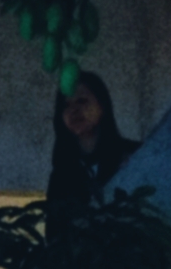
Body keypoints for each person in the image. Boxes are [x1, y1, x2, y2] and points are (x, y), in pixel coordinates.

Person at [46, 72, 138, 219]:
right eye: (66, 105)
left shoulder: (133, 155)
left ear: (102, 105)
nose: (74, 110)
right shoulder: (61, 176)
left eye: (82, 101)